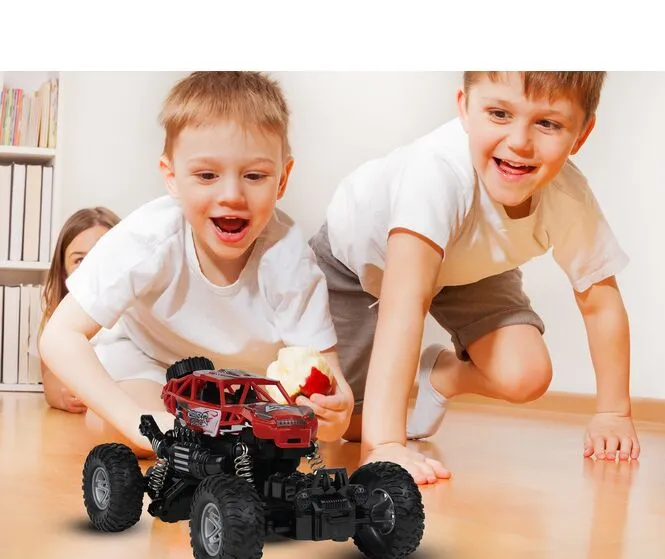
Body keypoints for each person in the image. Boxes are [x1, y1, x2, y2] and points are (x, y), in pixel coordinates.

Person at [310, 71, 639, 485]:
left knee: (526, 375)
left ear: (582, 133)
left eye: (548, 123)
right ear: (465, 108)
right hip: (360, 266)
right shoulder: (437, 173)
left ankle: (442, 375)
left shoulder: (567, 196)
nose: (519, 142)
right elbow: (405, 302)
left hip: (467, 269)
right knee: (350, 427)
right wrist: (385, 446)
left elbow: (600, 303)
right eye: (499, 114)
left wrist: (614, 412)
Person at [40, 71, 354, 458]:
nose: (232, 195)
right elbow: (59, 336)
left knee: (268, 445)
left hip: (244, 387)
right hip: (150, 362)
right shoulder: (146, 237)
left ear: (282, 179)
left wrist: (335, 414)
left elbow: (328, 378)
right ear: (172, 177)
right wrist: (135, 424)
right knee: (116, 427)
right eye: (207, 175)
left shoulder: (289, 259)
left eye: (255, 175)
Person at [35, 206, 120, 413]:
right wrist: (63, 395)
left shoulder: (141, 315)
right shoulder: (58, 317)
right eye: (79, 260)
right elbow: (50, 378)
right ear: (64, 272)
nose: (91, 268)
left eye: (102, 255)